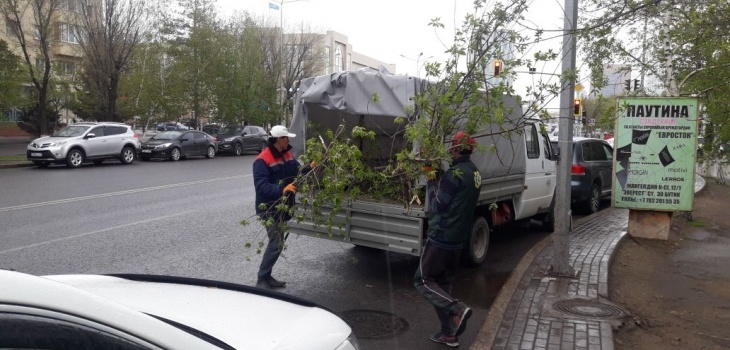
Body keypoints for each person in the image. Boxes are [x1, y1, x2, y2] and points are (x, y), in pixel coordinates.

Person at [414, 131, 480, 348]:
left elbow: (437, 205)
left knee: (423, 281)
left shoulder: (456, 174)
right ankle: (449, 333)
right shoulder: (474, 172)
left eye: (452, 146)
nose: (449, 149)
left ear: (457, 148)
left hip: (442, 236)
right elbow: (457, 198)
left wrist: (431, 179)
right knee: (441, 286)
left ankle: (458, 309)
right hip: (458, 239)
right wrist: (439, 173)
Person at [253, 125, 313, 289]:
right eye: (286, 138)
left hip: (284, 206)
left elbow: (297, 170)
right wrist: (282, 189)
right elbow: (261, 186)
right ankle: (262, 279)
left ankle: (266, 276)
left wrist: (311, 167)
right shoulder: (262, 160)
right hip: (269, 208)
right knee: (276, 243)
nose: (288, 140)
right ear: (278, 140)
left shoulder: (287, 153)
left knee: (278, 243)